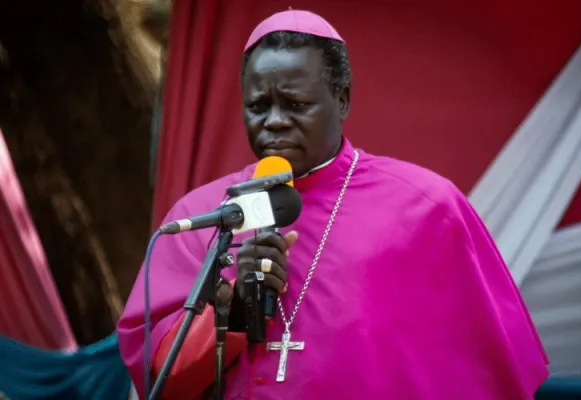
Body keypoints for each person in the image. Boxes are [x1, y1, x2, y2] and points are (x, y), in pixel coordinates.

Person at [117, 9, 549, 400]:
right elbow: (160, 378)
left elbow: (486, 370)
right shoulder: (204, 214)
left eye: (296, 104)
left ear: (341, 100)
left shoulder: (425, 205)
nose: (274, 120)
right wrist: (234, 310)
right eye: (257, 106)